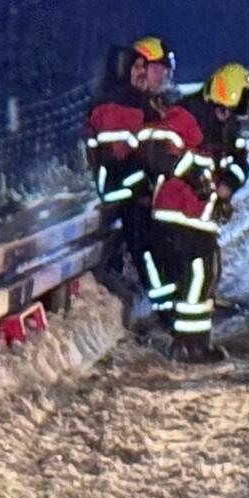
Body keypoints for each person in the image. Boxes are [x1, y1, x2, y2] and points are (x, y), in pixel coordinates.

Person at [141, 64, 249, 363]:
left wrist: (228, 184)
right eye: (224, 110)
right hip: (177, 210)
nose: (226, 116)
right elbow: (156, 152)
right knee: (198, 275)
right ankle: (186, 345)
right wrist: (193, 176)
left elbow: (240, 163)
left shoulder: (229, 125)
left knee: (207, 275)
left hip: (200, 214)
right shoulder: (187, 115)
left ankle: (197, 342)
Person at [86, 37, 174, 301]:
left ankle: (172, 296)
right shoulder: (121, 106)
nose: (164, 76)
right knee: (146, 240)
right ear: (139, 68)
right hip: (123, 190)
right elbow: (120, 162)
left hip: (137, 188)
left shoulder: (141, 103)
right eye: (160, 69)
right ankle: (167, 304)